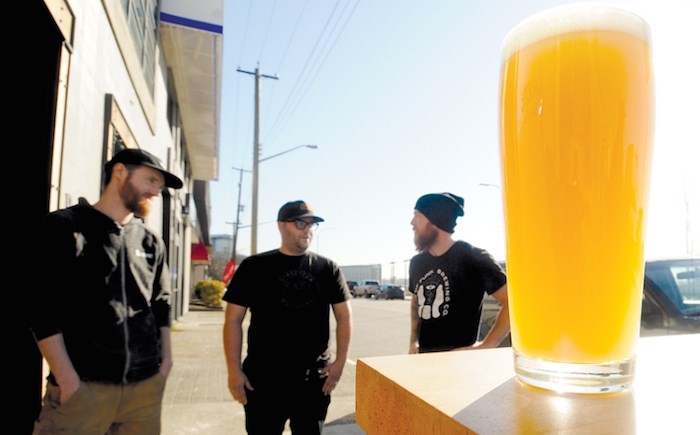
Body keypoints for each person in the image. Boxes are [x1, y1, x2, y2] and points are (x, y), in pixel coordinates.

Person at [27, 148, 183, 434]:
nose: (156, 191)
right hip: (84, 390)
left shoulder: (151, 242)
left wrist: (166, 363)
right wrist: (67, 378)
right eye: (150, 181)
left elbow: (161, 302)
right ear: (120, 172)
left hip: (144, 390)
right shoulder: (65, 227)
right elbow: (40, 308)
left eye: (159, 186)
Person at [223, 200, 353, 435]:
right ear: (281, 226)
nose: (308, 229)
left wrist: (340, 363)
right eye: (300, 222)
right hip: (263, 380)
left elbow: (344, 316)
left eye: (312, 224)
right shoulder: (254, 267)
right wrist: (233, 370)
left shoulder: (327, 268)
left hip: (313, 381)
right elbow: (232, 319)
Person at [408, 192, 510, 354]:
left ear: (435, 220)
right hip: (423, 361)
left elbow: (512, 302)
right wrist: (413, 342)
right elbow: (416, 301)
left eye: (417, 216)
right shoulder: (417, 263)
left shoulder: (474, 257)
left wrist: (486, 345)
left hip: (461, 366)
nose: (412, 222)